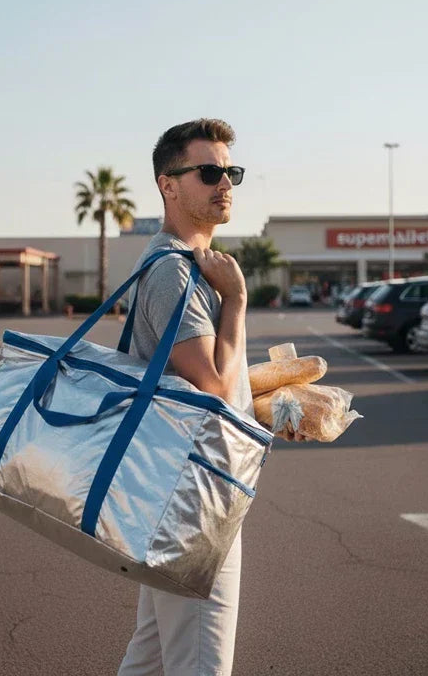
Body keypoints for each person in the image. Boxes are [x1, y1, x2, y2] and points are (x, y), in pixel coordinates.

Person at [118, 119, 307, 676]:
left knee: (153, 659)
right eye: (208, 172)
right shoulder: (174, 273)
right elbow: (216, 389)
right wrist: (238, 299)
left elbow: (212, 385)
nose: (225, 183)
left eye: (231, 172)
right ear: (168, 185)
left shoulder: (191, 268)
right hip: (194, 502)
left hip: (174, 492)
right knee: (199, 665)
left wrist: (273, 407)